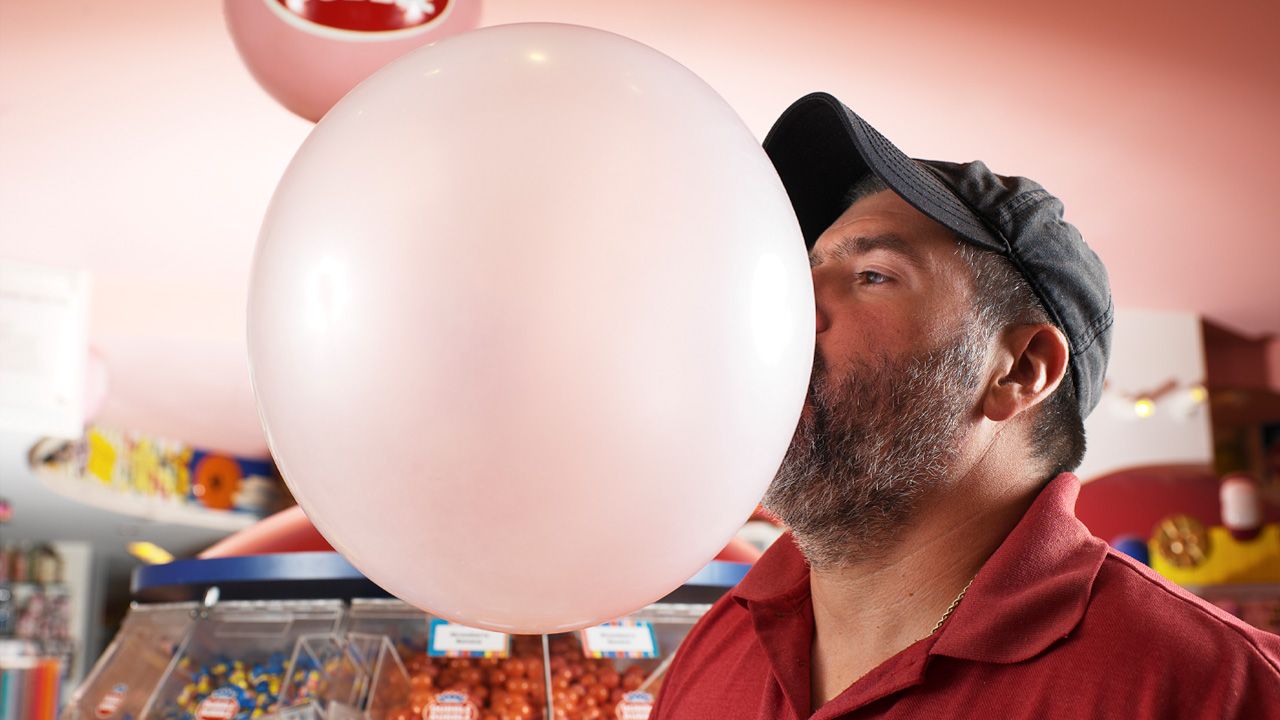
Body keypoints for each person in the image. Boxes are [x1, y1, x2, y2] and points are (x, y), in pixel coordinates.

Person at [650, 92, 1280, 719]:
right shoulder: (713, 649)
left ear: (1021, 370)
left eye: (872, 274)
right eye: (798, 276)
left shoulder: (1213, 688)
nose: (789, 312)